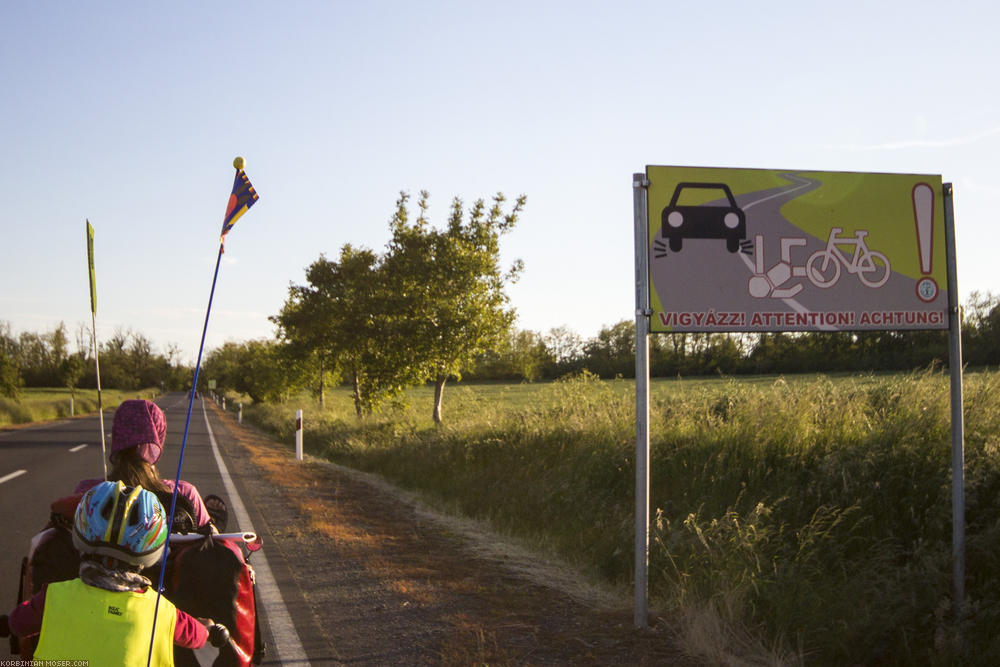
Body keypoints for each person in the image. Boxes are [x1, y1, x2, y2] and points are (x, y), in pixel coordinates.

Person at [0, 481, 230, 664]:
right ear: (150, 551)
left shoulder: (53, 597)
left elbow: (17, 624)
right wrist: (209, 630)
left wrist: (6, 624)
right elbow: (196, 636)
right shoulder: (162, 612)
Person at [75, 399, 226, 533]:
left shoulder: (88, 492)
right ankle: (214, 525)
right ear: (158, 437)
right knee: (210, 533)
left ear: (117, 436)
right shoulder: (183, 493)